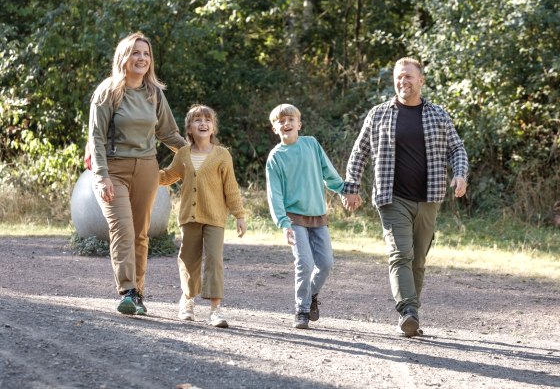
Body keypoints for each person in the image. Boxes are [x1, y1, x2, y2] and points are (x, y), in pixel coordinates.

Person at [342, 57, 468, 337]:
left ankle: (412, 312)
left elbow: (457, 149)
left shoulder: (438, 114)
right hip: (391, 197)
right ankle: (408, 311)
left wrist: (460, 174)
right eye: (399, 77)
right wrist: (351, 187)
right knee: (401, 254)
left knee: (418, 260)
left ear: (420, 81)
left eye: (409, 76)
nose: (403, 81)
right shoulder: (378, 114)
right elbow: (359, 152)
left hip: (429, 197)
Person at [88, 32, 187, 316]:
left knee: (141, 235)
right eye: (135, 53)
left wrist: (197, 153)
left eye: (145, 54)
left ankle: (138, 295)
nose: (141, 58)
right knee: (123, 229)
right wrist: (102, 174)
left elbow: (168, 132)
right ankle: (127, 290)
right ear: (124, 57)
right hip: (112, 169)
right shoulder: (108, 91)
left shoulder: (153, 92)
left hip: (146, 168)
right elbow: (95, 138)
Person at [159, 104, 247, 328]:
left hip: (215, 217)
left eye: (207, 120)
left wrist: (239, 215)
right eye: (197, 120)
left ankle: (215, 310)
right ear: (189, 127)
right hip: (189, 216)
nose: (203, 123)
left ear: (213, 127)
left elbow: (231, 188)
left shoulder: (221, 155)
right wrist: (146, 172)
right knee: (188, 260)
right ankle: (187, 300)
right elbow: (169, 175)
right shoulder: (183, 154)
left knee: (214, 261)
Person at [265, 103, 345, 329]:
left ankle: (310, 297)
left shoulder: (311, 144)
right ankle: (301, 310)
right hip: (293, 218)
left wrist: (344, 189)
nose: (286, 123)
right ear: (275, 129)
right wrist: (282, 223)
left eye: (291, 119)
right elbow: (275, 194)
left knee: (326, 263)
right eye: (281, 121)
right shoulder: (276, 157)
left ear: (299, 124)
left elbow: (329, 173)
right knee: (305, 263)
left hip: (317, 216)